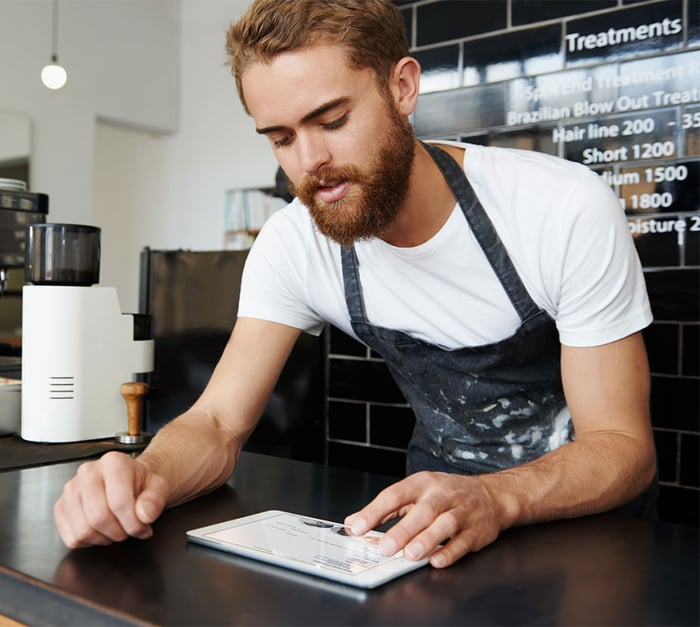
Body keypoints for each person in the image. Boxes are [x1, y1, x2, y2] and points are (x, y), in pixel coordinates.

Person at [54, 0, 657, 568]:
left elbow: (623, 447)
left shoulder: (559, 208)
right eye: (282, 138)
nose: (310, 159)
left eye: (332, 119)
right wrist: (143, 477)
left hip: (592, 541)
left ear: (402, 88)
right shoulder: (293, 244)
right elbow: (216, 424)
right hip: (429, 538)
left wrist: (497, 497)